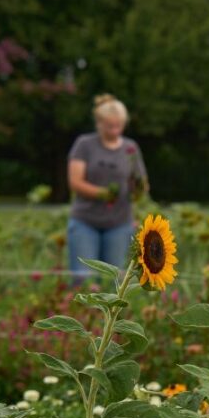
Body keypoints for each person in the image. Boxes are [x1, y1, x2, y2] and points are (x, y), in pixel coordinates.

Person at [66, 94, 149, 283]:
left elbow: (140, 182)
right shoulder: (84, 145)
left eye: (118, 125)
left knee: (114, 279)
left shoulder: (130, 148)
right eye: (110, 126)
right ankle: (82, 312)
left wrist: (139, 188)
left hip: (119, 223)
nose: (114, 130)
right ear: (99, 123)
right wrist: (104, 194)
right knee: (83, 279)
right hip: (85, 221)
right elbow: (75, 182)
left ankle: (108, 314)